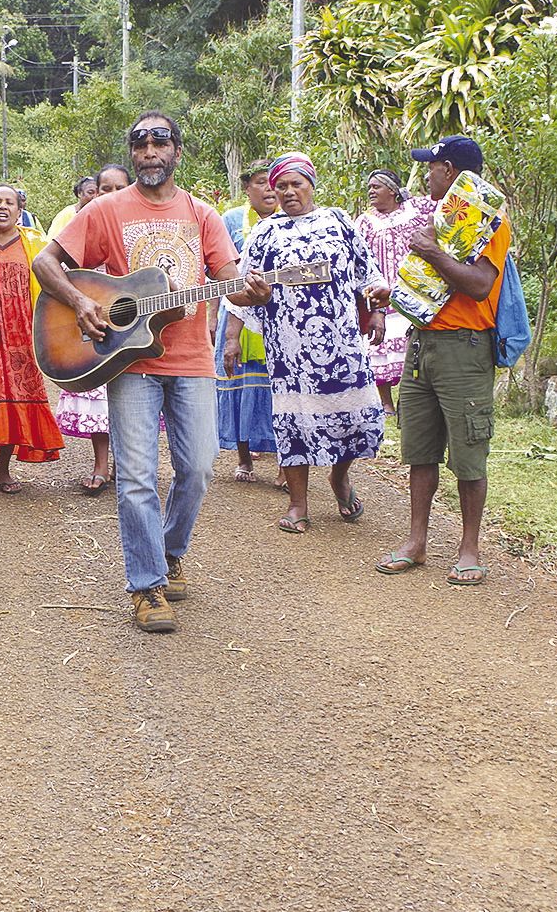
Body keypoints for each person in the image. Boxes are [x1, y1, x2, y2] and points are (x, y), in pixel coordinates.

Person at [35, 112, 262, 634]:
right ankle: (146, 585)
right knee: (136, 476)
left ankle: (170, 551)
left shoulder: (201, 214)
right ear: (133, 153)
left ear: (178, 152)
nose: (150, 151)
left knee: (200, 466)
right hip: (128, 359)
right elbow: (47, 263)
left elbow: (226, 274)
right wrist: (80, 302)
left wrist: (247, 287)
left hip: (190, 360)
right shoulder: (104, 210)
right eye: (141, 144)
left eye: (161, 142)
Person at [223, 153, 390, 534]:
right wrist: (259, 299)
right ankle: (298, 504)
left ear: (312, 185)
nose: (287, 192)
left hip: (342, 341)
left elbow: (367, 273)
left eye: (295, 184)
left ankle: (339, 478)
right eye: (280, 186)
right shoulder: (265, 233)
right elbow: (240, 292)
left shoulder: (338, 221)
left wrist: (377, 309)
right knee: (293, 421)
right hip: (289, 347)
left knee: (354, 417)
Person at [377, 135, 510, 587]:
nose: (426, 175)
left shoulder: (488, 222)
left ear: (449, 171)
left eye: (431, 167)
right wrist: (392, 294)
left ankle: (469, 548)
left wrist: (430, 250)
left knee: (469, 454)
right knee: (420, 449)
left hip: (465, 348)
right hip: (422, 344)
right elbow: (428, 285)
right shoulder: (438, 219)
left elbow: (477, 285)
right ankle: (416, 542)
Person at [0, 184, 63, 496]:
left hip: (21, 336)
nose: (2, 207)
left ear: (20, 211)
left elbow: (55, 285)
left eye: (9, 202)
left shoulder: (36, 244)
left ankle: (3, 470)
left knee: (13, 397)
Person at [52, 164, 135, 493]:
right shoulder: (81, 229)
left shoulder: (138, 229)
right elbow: (59, 273)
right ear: (94, 193)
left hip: (133, 327)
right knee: (99, 398)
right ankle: (101, 465)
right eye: (105, 189)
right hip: (95, 327)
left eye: (120, 189)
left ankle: (124, 465)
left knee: (131, 398)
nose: (112, 196)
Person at [213, 163, 280, 481]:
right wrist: (214, 316)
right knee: (237, 382)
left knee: (279, 388)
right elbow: (216, 271)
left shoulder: (289, 223)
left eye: (273, 183)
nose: (269, 189)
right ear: (246, 189)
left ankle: (286, 464)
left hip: (278, 315)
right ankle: (244, 460)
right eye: (260, 182)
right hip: (236, 312)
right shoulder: (231, 221)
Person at [355, 168, 430, 415]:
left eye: (377, 186)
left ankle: (412, 400)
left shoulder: (416, 211)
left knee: (413, 347)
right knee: (379, 346)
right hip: (379, 295)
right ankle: (386, 402)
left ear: (392, 190)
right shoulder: (365, 221)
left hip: (410, 290)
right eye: (370, 187)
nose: (371, 191)